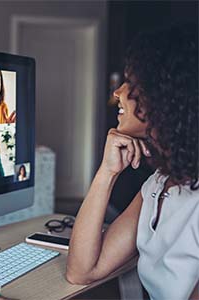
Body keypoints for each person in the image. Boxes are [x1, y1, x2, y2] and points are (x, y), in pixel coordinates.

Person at [66, 24, 199, 299]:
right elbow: (82, 270)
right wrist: (107, 171)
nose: (118, 93)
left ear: (164, 98)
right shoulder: (159, 184)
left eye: (132, 84)